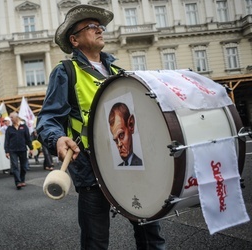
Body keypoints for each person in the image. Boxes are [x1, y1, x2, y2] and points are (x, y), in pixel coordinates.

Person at [36, 4, 165, 249]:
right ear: (74, 40)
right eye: (92, 26)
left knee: (151, 234)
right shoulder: (66, 72)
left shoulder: (118, 72)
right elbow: (48, 119)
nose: (100, 30)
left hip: (131, 166)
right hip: (90, 168)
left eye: (100, 26)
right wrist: (57, 139)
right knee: (95, 241)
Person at [4, 112, 33, 190]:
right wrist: (6, 151)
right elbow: (6, 141)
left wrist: (31, 148)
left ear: (16, 117)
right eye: (10, 118)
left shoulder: (24, 126)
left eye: (12, 117)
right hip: (12, 150)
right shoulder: (9, 128)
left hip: (23, 149)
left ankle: (22, 179)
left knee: (24, 166)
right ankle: (18, 182)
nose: (10, 119)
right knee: (15, 166)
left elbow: (28, 138)